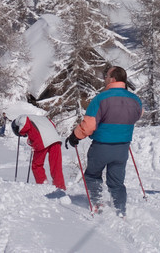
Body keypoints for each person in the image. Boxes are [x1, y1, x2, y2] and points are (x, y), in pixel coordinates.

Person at [65, 66, 142, 216]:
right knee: (117, 182)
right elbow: (138, 115)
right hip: (122, 148)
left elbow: (89, 125)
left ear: (113, 79)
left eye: (106, 76)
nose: (104, 78)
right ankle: (120, 209)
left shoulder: (101, 98)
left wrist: (75, 136)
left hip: (102, 146)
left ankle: (97, 203)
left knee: (93, 175)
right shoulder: (135, 100)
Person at [12, 113, 66, 190]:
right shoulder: (41, 118)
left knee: (37, 165)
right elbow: (52, 126)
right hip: (55, 139)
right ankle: (60, 187)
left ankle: (43, 185)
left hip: (42, 141)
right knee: (56, 166)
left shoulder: (20, 118)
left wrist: (22, 132)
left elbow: (25, 125)